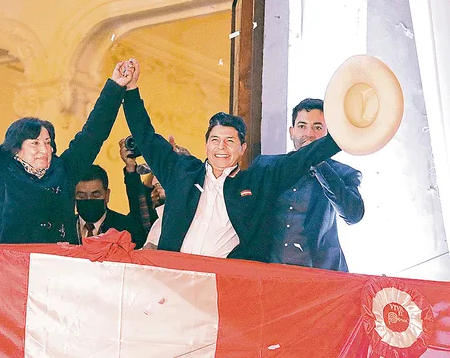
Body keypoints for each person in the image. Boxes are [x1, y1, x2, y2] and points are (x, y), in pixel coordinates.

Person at [121, 58, 342, 261]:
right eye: (215, 140)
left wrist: (345, 134)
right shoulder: (181, 171)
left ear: (242, 148)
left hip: (222, 285)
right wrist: (130, 90)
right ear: (206, 143)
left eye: (229, 141)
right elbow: (146, 136)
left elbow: (303, 158)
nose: (221, 147)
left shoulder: (257, 181)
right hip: (173, 280)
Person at [0, 45, 135, 244]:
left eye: (48, 142)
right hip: (8, 266)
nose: (44, 149)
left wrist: (115, 87)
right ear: (16, 148)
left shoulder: (63, 171)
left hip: (56, 266)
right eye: (35, 143)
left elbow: (93, 134)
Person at [260, 98, 364, 271]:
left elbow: (353, 215)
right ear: (291, 132)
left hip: (321, 279)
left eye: (317, 127)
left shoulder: (344, 173)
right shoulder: (267, 166)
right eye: (302, 126)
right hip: (269, 275)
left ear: (328, 134)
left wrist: (319, 162)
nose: (308, 133)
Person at [75, 165, 145, 246]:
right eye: (82, 196)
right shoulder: (64, 227)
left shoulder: (126, 228)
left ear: (107, 195)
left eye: (96, 195)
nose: (89, 199)